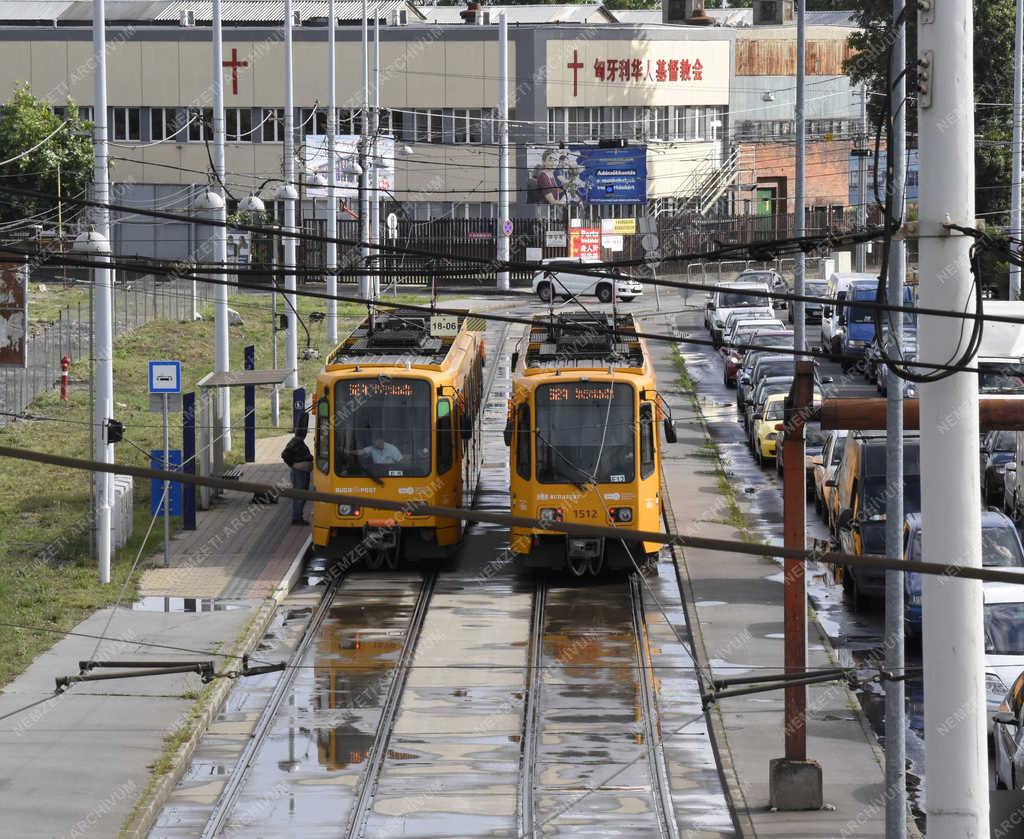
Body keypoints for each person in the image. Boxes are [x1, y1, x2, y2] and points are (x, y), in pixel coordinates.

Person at [281, 426, 314, 524]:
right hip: (299, 473)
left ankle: (298, 516)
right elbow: (284, 454)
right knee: (299, 495)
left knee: (302, 494)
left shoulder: (299, 441)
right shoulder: (295, 441)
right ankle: (296, 518)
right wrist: (294, 464)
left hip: (302, 472)